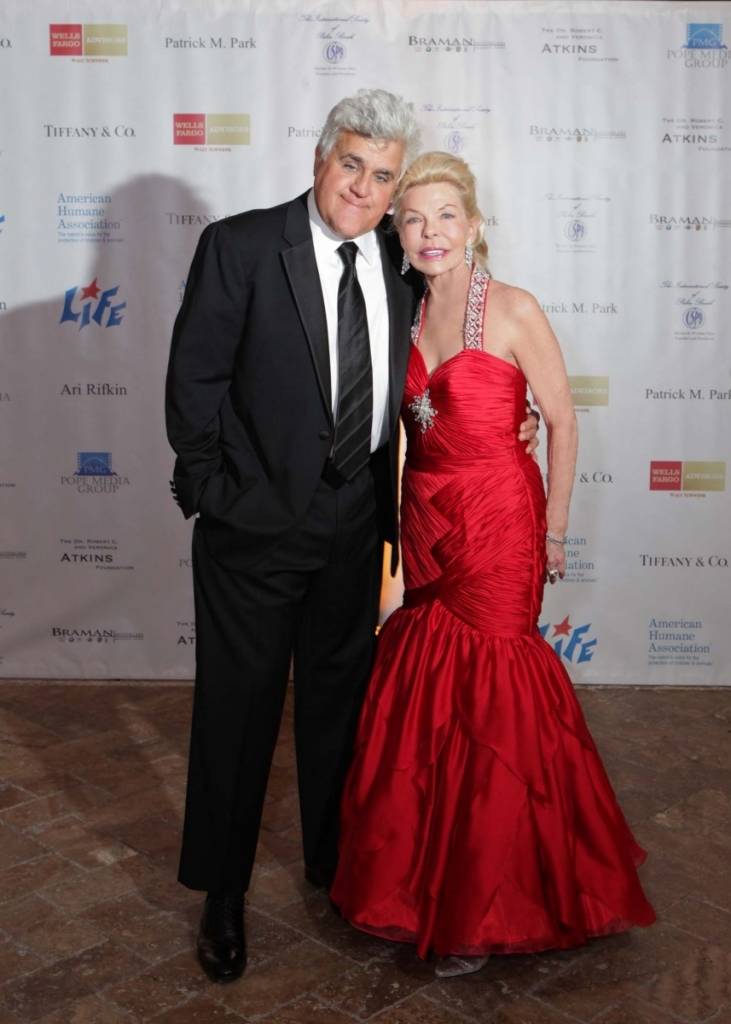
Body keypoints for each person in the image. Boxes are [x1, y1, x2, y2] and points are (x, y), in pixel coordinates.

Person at [166, 90, 543, 983]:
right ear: (319, 160)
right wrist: (219, 498)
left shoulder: (401, 258)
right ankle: (222, 893)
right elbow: (192, 387)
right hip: (253, 531)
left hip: (355, 526)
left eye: (382, 175)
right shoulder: (243, 246)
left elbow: (453, 367)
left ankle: (337, 869)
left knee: (343, 712)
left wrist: (512, 421)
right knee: (239, 712)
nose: (364, 188)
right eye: (352, 166)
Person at [329, 152, 656, 978]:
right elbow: (398, 432)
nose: (430, 232)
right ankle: (418, 882)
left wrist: (553, 529)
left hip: (502, 520)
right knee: (428, 685)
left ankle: (497, 895)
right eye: (413, 218)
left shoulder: (512, 309)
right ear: (396, 234)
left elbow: (561, 420)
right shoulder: (399, 314)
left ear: (474, 225)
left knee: (498, 687)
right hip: (428, 517)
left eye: (446, 216)